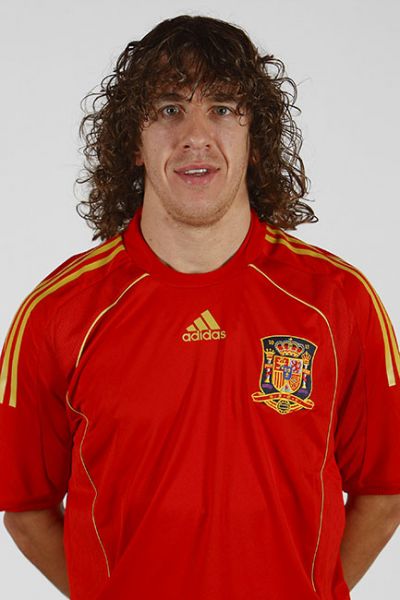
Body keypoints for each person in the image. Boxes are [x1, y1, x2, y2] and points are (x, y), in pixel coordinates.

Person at [0, 14, 399, 600]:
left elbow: (384, 494)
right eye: (168, 108)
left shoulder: (339, 302)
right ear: (132, 142)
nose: (195, 135)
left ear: (255, 139)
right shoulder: (56, 314)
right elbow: (25, 509)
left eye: (223, 108)